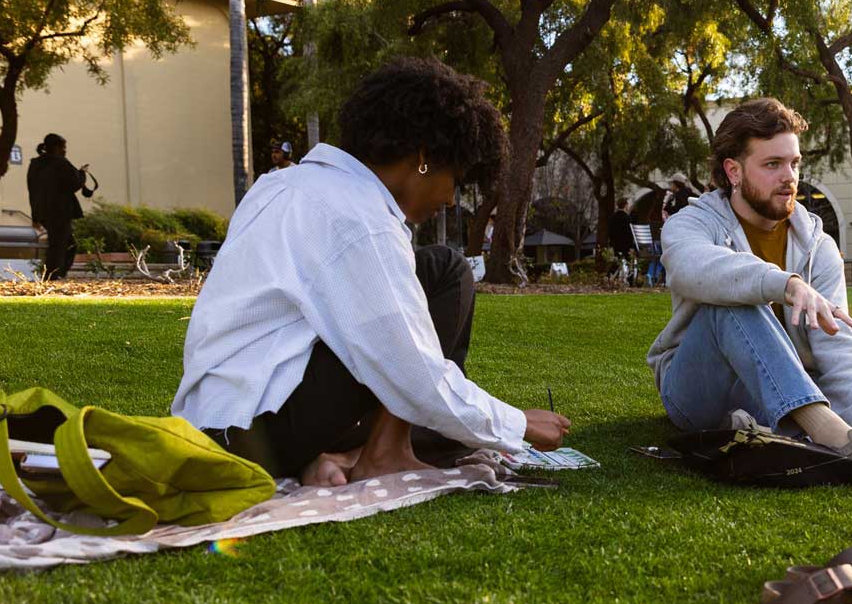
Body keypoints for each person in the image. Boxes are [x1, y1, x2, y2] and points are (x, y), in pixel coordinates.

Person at [173, 56, 572, 487]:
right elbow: (413, 372)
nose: (452, 198)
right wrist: (517, 425)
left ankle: (344, 456)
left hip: (215, 423)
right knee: (440, 298)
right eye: (454, 178)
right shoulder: (359, 218)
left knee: (440, 273)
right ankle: (380, 455)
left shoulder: (280, 185)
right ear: (423, 157)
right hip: (254, 432)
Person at [646, 97, 852, 485]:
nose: (789, 177)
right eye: (772, 165)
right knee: (733, 301)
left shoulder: (818, 245)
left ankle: (772, 431)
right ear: (733, 170)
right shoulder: (691, 223)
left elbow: (838, 343)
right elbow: (689, 268)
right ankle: (837, 439)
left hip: (781, 387)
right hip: (701, 390)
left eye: (794, 163)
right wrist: (786, 284)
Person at [26, 134, 86, 280]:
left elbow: (32, 190)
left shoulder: (35, 164)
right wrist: (83, 173)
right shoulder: (60, 163)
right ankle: (54, 276)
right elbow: (74, 183)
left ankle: (53, 275)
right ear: (57, 148)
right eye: (63, 147)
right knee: (61, 246)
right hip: (60, 211)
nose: (65, 150)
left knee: (61, 244)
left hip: (44, 212)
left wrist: (35, 216)